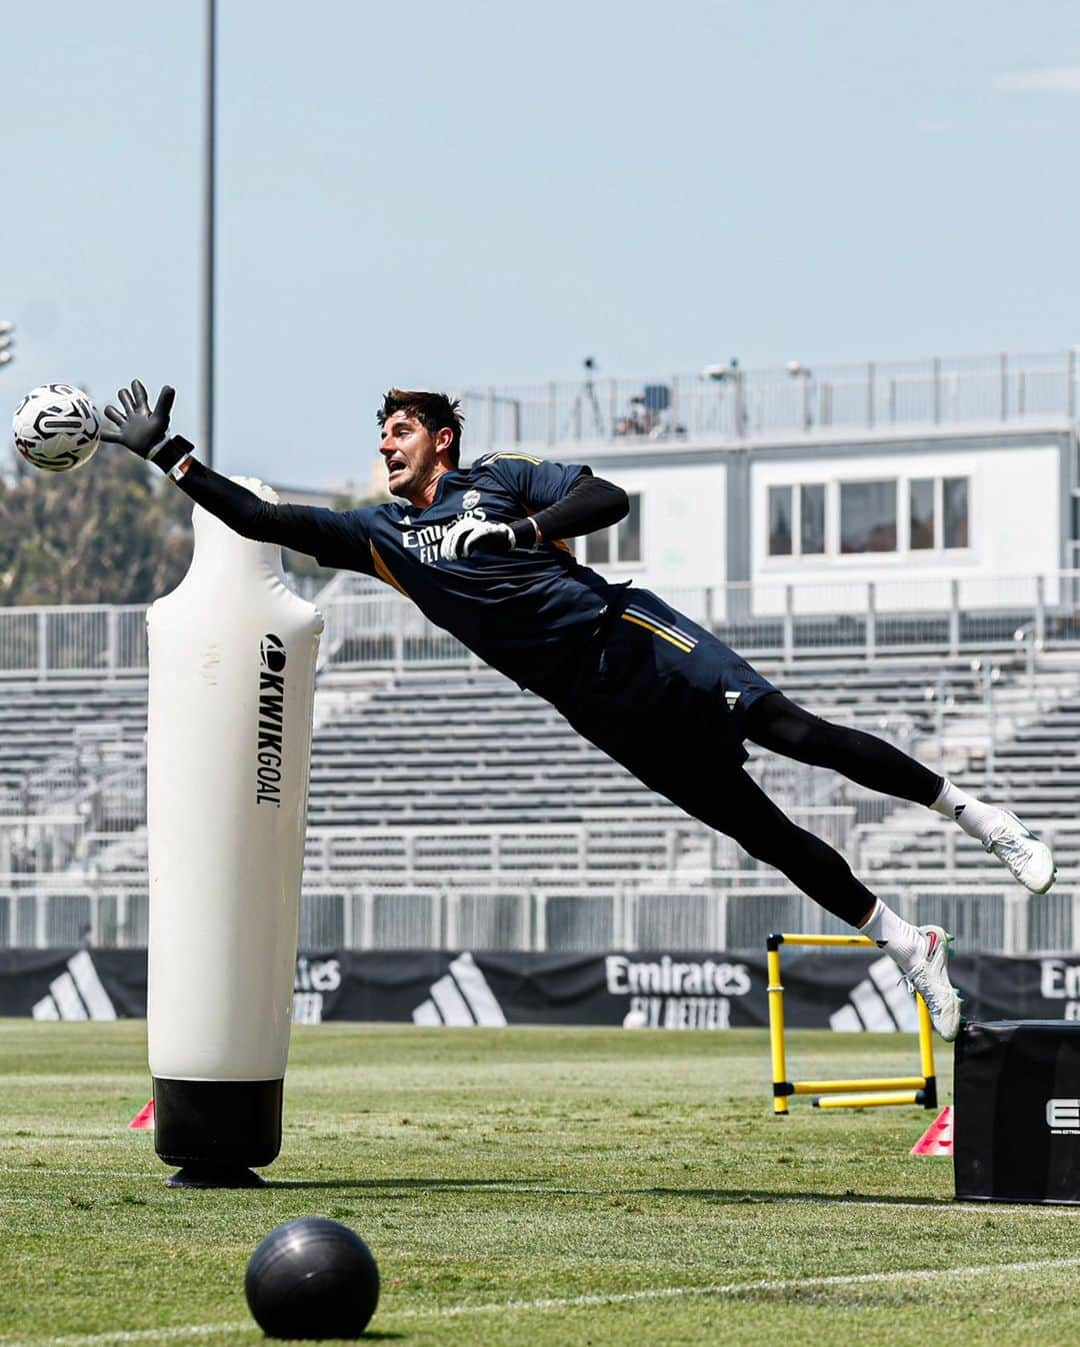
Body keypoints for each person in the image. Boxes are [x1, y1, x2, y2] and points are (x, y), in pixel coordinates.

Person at [101, 380, 1058, 1040]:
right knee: (760, 831)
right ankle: (906, 943)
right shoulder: (379, 535)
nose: (383, 445)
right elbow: (268, 522)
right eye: (379, 433)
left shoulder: (501, 476)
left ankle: (983, 819)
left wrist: (517, 527)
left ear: (440, 435)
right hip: (592, 702)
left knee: (795, 732)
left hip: (633, 635)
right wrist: (171, 459)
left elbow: (609, 495)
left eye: (397, 429)